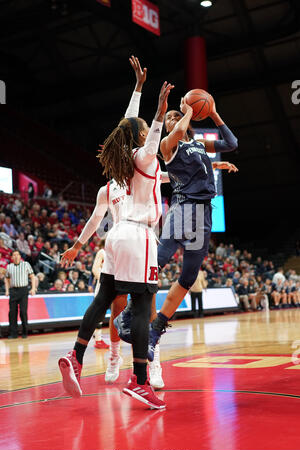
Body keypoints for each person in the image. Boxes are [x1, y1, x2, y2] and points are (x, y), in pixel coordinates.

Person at [58, 56, 173, 409]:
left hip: (115, 237)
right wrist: (159, 111)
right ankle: (140, 379)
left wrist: (138, 88)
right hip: (138, 237)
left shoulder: (121, 163)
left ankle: (76, 356)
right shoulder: (144, 158)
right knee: (141, 308)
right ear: (140, 136)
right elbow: (150, 137)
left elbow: (126, 126)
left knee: (103, 298)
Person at [117, 94, 238, 360]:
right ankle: (127, 313)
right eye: (169, 117)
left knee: (188, 276)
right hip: (183, 209)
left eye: (177, 115)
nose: (174, 118)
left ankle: (155, 330)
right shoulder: (167, 145)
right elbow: (181, 129)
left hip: (203, 213)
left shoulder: (197, 144)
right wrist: (187, 112)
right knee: (156, 262)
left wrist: (214, 113)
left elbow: (232, 143)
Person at [4, 250, 36, 338]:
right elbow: (6, 279)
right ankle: (13, 333)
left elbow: (32, 276)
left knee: (23, 312)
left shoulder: (26, 264)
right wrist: (7, 290)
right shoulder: (9, 267)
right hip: (13, 291)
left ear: (20, 256)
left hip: (23, 290)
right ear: (11, 257)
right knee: (12, 313)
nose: (16, 256)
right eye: (14, 255)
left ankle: (25, 332)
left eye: (17, 255)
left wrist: (33, 288)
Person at [91, 239, 110, 349]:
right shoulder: (102, 252)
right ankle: (98, 340)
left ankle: (117, 338)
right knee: (99, 314)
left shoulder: (115, 253)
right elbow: (95, 268)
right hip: (103, 286)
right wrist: (102, 280)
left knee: (118, 313)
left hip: (115, 286)